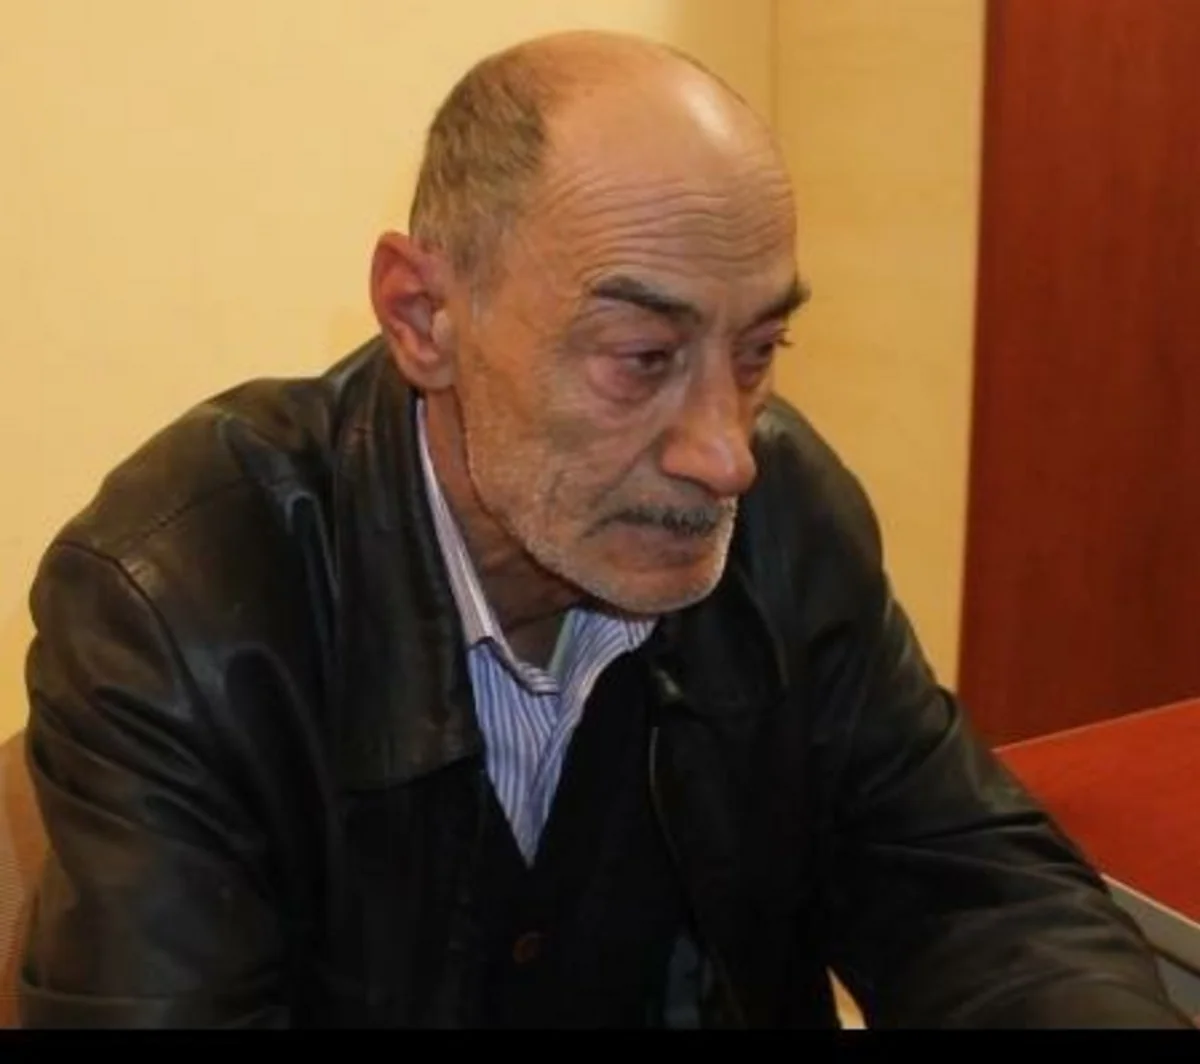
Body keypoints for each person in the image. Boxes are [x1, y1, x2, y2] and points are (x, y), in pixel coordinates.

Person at [16, 30, 1193, 1029]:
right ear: (424, 317)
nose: (727, 452)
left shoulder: (786, 511)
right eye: (643, 356)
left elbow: (972, 889)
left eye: (757, 351)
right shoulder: (179, 599)